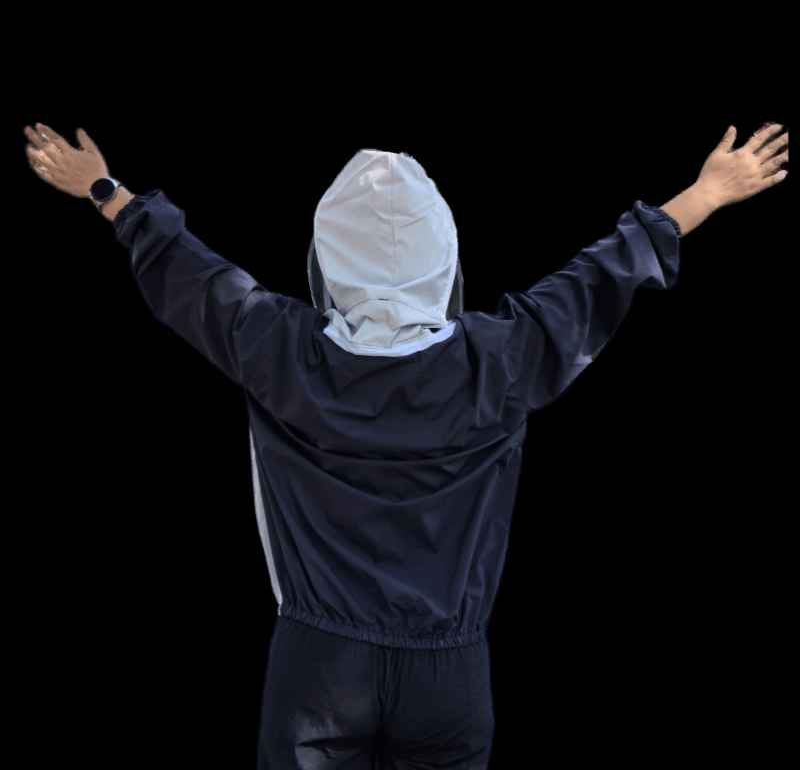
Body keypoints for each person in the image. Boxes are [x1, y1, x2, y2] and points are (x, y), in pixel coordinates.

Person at [24, 122, 788, 769]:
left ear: (328, 256)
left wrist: (103, 188)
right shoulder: (497, 360)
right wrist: (708, 193)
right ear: (444, 256)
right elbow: (598, 278)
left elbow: (192, 273)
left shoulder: (278, 347)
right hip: (449, 673)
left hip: (318, 667)